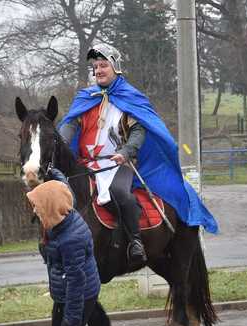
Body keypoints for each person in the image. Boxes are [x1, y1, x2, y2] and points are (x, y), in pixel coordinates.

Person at [58, 43, 218, 265]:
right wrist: (61, 143)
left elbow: (138, 129)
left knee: (120, 193)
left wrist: (126, 151)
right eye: (95, 66)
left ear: (115, 67)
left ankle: (135, 242)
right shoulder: (86, 98)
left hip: (119, 164)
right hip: (87, 164)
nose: (98, 70)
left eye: (103, 65)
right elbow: (69, 126)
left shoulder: (129, 97)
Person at [26, 170, 107, 326]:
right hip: (65, 293)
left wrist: (72, 318)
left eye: (38, 207)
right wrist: (53, 173)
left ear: (50, 207)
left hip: (79, 296)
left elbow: (76, 281)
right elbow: (63, 186)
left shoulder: (70, 238)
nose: (35, 212)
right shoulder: (61, 215)